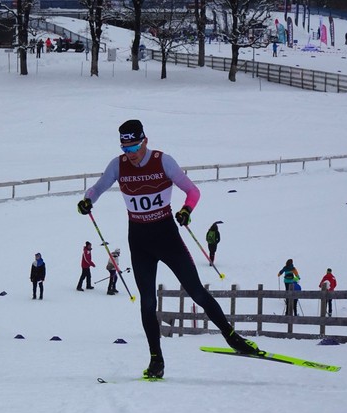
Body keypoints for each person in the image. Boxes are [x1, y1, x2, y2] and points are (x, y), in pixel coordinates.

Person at [76, 119, 260, 379]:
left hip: (167, 237)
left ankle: (233, 338)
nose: (131, 154)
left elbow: (193, 191)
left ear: (145, 141)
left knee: (196, 292)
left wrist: (186, 210)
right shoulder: (117, 165)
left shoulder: (163, 161)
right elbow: (97, 188)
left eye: (135, 148)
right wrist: (87, 201)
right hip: (139, 241)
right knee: (147, 303)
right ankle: (156, 361)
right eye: (125, 149)